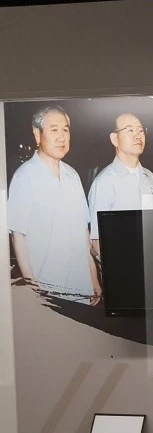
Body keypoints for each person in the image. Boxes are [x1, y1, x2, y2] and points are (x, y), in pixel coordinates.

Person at [7, 105, 101, 304]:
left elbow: (83, 233)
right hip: (49, 291)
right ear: (37, 134)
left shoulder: (72, 176)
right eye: (54, 129)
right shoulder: (24, 177)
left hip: (81, 288)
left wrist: (93, 278)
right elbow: (18, 238)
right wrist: (33, 289)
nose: (61, 137)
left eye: (65, 130)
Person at [87, 113, 153, 256]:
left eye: (141, 130)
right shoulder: (104, 182)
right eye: (130, 130)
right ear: (114, 139)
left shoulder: (151, 178)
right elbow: (97, 242)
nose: (138, 136)